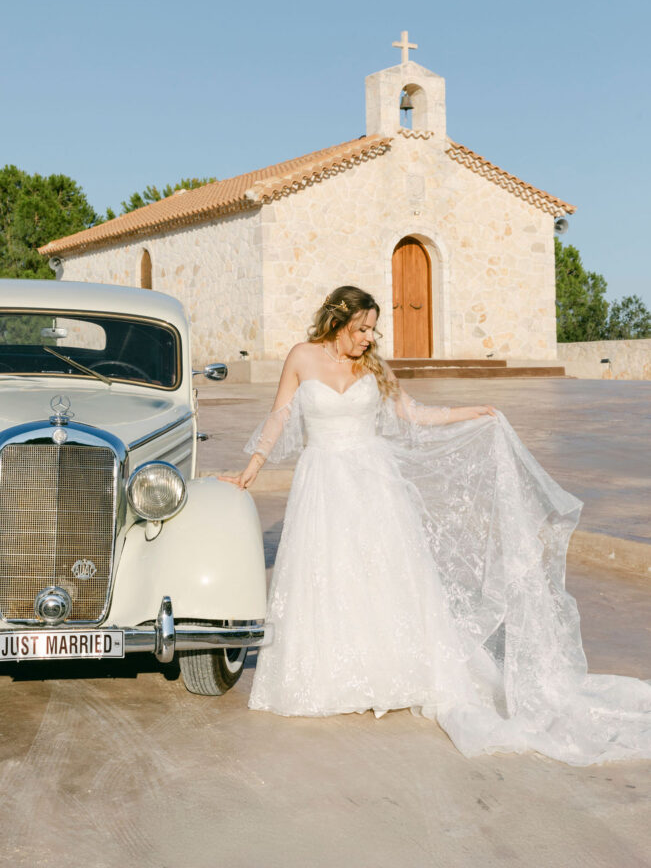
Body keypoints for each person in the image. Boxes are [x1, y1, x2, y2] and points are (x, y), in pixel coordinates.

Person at [220, 286, 651, 765]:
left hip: (376, 482)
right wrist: (252, 467)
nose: (369, 337)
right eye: (362, 328)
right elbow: (280, 415)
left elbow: (412, 413)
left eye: (373, 329)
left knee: (385, 575)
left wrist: (474, 413)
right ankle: (331, 678)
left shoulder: (375, 367)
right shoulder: (301, 357)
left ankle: (395, 673)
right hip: (323, 483)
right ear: (339, 321)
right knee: (330, 575)